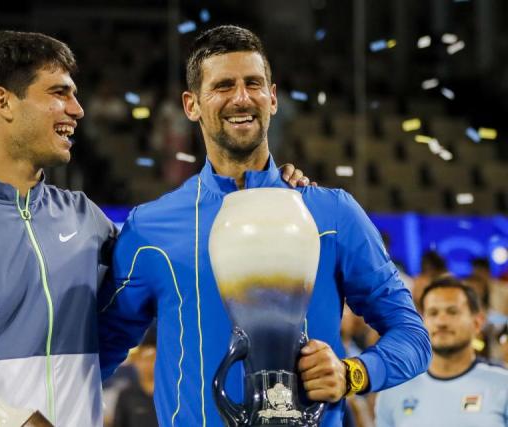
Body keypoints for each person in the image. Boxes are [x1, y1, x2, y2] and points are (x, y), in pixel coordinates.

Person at [0, 30, 310, 427]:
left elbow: (175, 255)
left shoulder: (87, 220)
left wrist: (265, 189)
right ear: (3, 102)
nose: (77, 109)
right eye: (59, 93)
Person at [98, 25, 431, 427]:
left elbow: (413, 336)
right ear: (191, 105)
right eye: (222, 86)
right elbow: (95, 353)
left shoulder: (332, 215)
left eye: (253, 84)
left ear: (272, 98)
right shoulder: (150, 229)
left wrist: (352, 373)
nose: (241, 98)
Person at [375, 277, 508, 426]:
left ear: (477, 323)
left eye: (452, 312)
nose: (441, 322)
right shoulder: (393, 390)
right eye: (433, 313)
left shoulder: (503, 385)